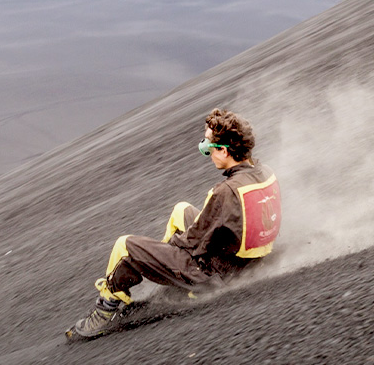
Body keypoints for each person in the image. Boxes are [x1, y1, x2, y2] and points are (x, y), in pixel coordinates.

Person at [66, 108, 281, 340]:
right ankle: (172, 280)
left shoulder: (224, 192)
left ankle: (105, 310)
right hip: (245, 262)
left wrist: (162, 254)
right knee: (182, 210)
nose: (207, 154)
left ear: (224, 151)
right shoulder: (265, 172)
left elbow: (192, 242)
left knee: (125, 246)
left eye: (208, 148)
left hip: (216, 275)